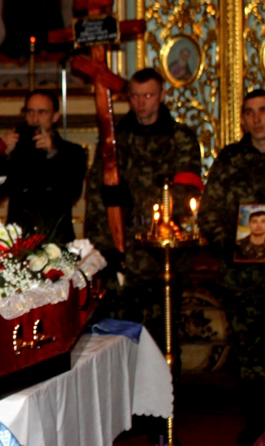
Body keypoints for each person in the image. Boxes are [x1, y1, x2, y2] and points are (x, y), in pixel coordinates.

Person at [84, 68, 202, 330]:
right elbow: (94, 196)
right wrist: (104, 248)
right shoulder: (113, 140)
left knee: (162, 335)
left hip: (161, 254)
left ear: (162, 95)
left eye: (148, 95)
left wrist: (135, 198)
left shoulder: (181, 138)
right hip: (120, 250)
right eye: (135, 96)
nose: (141, 102)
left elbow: (186, 194)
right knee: (117, 334)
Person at [198, 89, 265, 445]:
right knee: (248, 353)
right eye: (249, 112)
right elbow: (209, 213)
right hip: (241, 275)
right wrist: (232, 246)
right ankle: (256, 423)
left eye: (263, 111)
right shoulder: (229, 159)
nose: (256, 118)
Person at [0, 90, 87, 243]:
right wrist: (3, 155)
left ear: (55, 116)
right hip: (19, 239)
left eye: (42, 112)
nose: (35, 119)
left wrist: (53, 154)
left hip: (56, 239)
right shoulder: (16, 151)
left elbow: (72, 191)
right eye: (30, 112)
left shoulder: (72, 152)